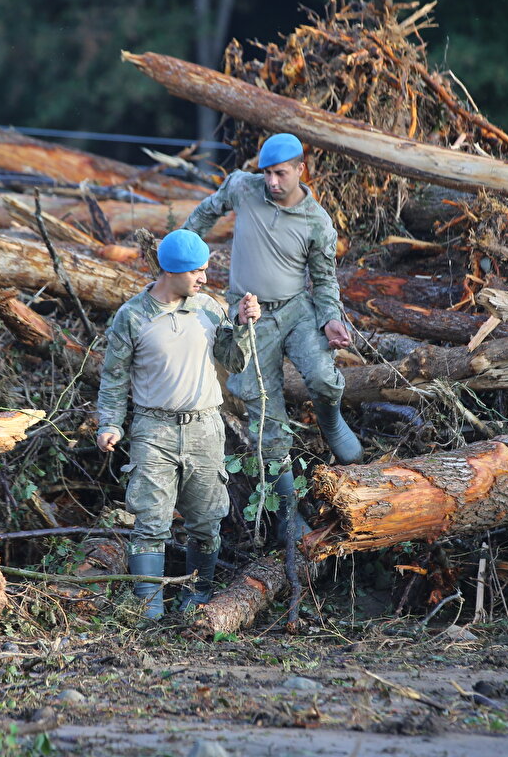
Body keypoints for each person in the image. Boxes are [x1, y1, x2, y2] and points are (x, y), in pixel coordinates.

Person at [183, 133, 363, 540]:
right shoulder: (243, 188)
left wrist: (331, 318)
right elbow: (205, 214)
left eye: (280, 173)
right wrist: (182, 255)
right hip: (249, 314)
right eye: (266, 172)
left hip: (297, 310)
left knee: (322, 375)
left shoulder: (317, 222)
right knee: (265, 412)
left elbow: (323, 279)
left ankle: (332, 424)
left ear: (301, 169)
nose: (272, 182)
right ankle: (286, 514)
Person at [96, 229, 261, 620]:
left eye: (205, 270)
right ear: (171, 271)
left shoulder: (209, 307)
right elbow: (114, 377)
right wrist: (110, 424)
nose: (204, 278)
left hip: (205, 427)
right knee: (150, 522)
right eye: (197, 271)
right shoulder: (132, 316)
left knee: (207, 521)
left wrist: (241, 326)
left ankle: (197, 596)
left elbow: (233, 362)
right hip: (154, 431)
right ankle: (148, 609)